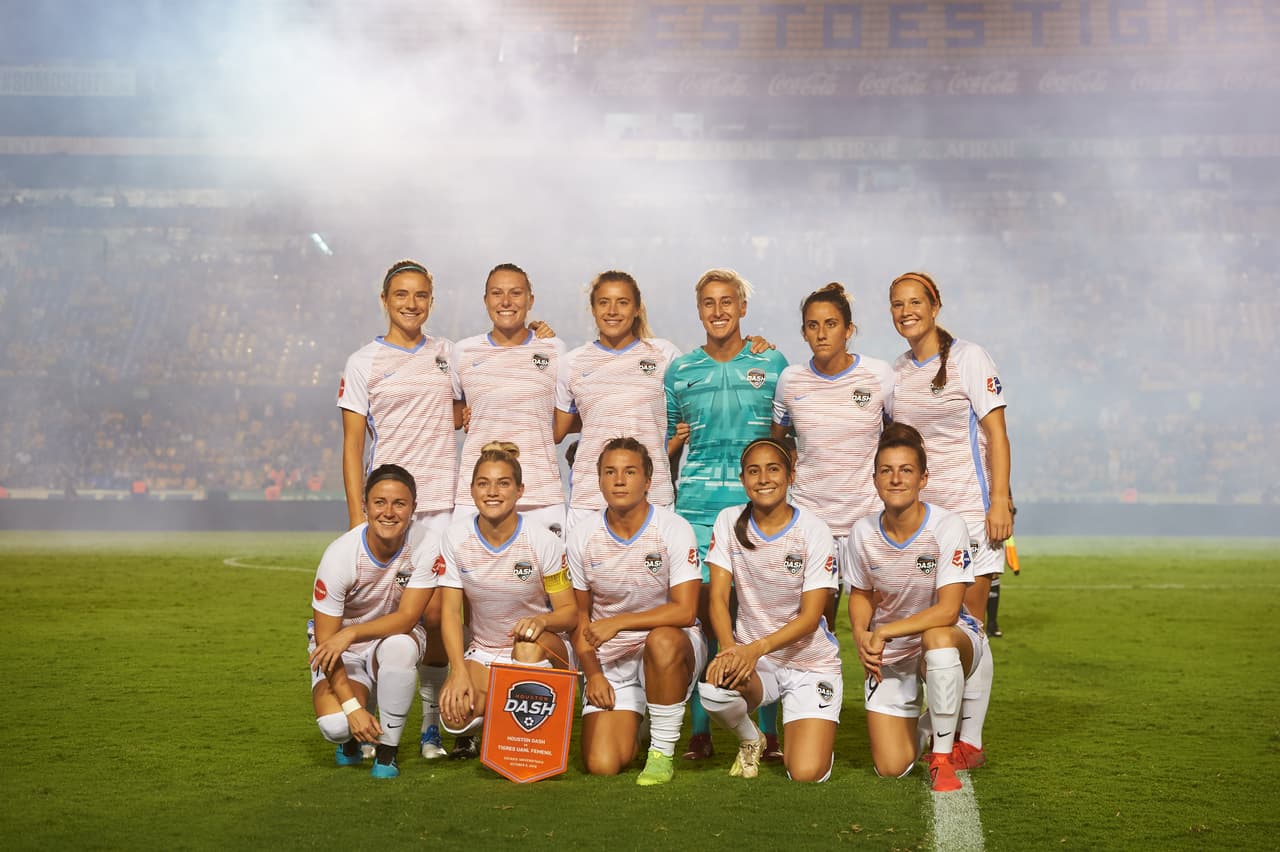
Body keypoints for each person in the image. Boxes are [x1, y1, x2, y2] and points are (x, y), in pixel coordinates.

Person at [336, 259, 462, 761]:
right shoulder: (363, 362)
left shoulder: (448, 355)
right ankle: (362, 723)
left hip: (443, 507)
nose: (412, 304)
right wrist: (356, 517)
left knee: (436, 613)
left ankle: (431, 727)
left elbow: (478, 398)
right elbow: (351, 447)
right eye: (402, 295)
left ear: (432, 300)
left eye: (422, 295)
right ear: (385, 300)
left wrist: (539, 337)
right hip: (387, 511)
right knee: (378, 612)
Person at [663, 268, 789, 763]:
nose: (718, 311)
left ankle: (768, 729)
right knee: (702, 621)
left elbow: (784, 435)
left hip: (756, 506)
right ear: (699, 311)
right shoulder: (680, 370)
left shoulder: (771, 361)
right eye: (708, 303)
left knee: (758, 616)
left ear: (742, 308)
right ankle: (700, 731)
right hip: (694, 507)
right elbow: (667, 438)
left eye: (727, 302)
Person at [887, 270, 1007, 767]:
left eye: (915, 302)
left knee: (969, 626)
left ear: (935, 306)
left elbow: (997, 434)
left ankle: (969, 740)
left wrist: (999, 499)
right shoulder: (896, 371)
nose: (906, 311)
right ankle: (937, 724)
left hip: (971, 516)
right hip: (922, 523)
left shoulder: (969, 357)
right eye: (897, 304)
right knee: (930, 630)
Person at [843, 423, 992, 792]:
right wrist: (862, 634)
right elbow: (860, 593)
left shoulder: (947, 526)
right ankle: (932, 720)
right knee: (892, 766)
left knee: (937, 640)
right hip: (893, 651)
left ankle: (942, 759)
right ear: (875, 478)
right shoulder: (860, 533)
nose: (895, 479)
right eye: (886, 471)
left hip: (952, 638)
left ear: (923, 478)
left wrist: (883, 631)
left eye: (906, 470)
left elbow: (948, 610)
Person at [696, 438, 841, 782]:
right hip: (756, 661)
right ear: (743, 480)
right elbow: (717, 598)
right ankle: (751, 738)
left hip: (808, 662)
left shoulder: (814, 531)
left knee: (806, 773)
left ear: (791, 475)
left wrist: (753, 649)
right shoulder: (728, 520)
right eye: (753, 471)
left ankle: (809, 726)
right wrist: (730, 649)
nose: (763, 478)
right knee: (714, 686)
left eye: (773, 469)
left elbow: (810, 619)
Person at [567, 437, 705, 786]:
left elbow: (686, 611)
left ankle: (661, 753)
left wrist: (620, 622)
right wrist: (593, 674)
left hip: (671, 646)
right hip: (611, 657)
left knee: (661, 642)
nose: (619, 480)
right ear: (598, 479)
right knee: (603, 764)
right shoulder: (582, 535)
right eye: (609, 472)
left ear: (647, 481)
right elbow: (579, 617)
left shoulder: (673, 528)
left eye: (630, 472)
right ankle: (640, 717)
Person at [437, 442, 578, 757]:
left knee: (526, 646)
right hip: (485, 651)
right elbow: (449, 613)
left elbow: (570, 614)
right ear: (472, 490)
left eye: (503, 483)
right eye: (483, 483)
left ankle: (526, 735)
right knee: (454, 718)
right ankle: (519, 708)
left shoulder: (543, 541)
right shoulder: (455, 537)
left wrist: (542, 620)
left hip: (540, 646)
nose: (492, 492)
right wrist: (458, 670)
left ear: (519, 491)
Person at [307, 464, 441, 779]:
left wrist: (352, 632)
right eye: (380, 502)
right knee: (336, 725)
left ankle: (387, 754)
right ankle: (350, 741)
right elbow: (328, 642)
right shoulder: (340, 556)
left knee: (399, 649)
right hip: (341, 649)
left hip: (392, 634)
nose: (389, 512)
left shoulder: (426, 543)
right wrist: (353, 710)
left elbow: (408, 618)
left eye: (399, 503)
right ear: (365, 507)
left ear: (413, 509)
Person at [772, 281, 893, 623]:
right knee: (812, 626)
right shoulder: (791, 380)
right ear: (804, 332)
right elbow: (777, 440)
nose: (821, 333)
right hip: (813, 520)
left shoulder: (878, 375)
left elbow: (898, 438)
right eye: (813, 325)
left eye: (831, 324)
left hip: (868, 519)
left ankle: (882, 679)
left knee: (877, 627)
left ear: (848, 329)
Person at [554, 271, 682, 531]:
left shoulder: (664, 355)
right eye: (604, 302)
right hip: (590, 499)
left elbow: (686, 420)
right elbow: (556, 431)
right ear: (593, 308)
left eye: (622, 302)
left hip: (653, 496)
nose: (612, 310)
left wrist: (654, 458)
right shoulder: (572, 363)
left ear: (636, 308)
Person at [451, 263, 567, 535]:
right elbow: (454, 413)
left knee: (550, 577)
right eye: (496, 293)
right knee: (466, 577)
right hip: (476, 495)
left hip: (541, 494)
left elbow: (568, 419)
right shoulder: (463, 351)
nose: (505, 301)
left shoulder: (554, 350)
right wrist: (471, 416)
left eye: (515, 293)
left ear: (530, 300)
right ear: (485, 300)